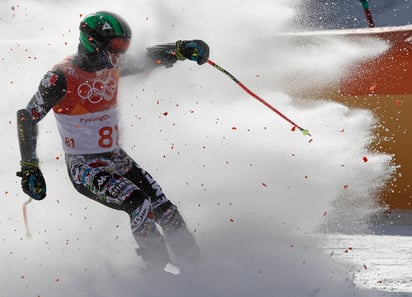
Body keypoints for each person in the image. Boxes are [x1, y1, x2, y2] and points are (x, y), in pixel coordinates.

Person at [16, 11, 209, 273]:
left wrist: (181, 50)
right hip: (84, 165)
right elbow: (28, 116)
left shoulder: (112, 65)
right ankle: (158, 270)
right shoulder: (59, 77)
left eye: (124, 47)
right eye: (116, 46)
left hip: (115, 157)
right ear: (92, 41)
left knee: (163, 205)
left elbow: (148, 58)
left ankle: (196, 262)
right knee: (138, 203)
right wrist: (30, 165)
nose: (120, 53)